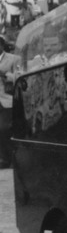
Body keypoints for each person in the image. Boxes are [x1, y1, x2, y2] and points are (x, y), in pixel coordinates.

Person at [0, 36, 22, 167]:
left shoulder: (14, 59)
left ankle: (10, 158)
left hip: (7, 100)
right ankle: (3, 159)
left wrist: (4, 74)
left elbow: (20, 76)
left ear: (2, 45)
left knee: (4, 128)